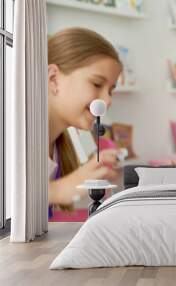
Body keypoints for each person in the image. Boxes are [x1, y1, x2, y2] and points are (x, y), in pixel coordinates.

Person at [47, 27, 122, 213]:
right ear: (54, 78)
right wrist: (55, 190)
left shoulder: (60, 148)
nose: (107, 100)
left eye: (111, 90)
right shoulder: (12, 137)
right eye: (97, 84)